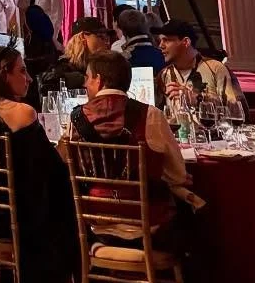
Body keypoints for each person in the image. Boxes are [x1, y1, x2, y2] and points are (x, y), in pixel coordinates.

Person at [0, 46, 78, 283]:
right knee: (67, 200)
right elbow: (49, 168)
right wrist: (67, 146)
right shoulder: (23, 112)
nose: (28, 78)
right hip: (15, 216)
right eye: (22, 71)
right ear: (5, 74)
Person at [65, 48, 191, 230]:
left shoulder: (75, 118)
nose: (85, 84)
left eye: (88, 77)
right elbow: (177, 174)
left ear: (99, 80)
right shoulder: (151, 114)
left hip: (95, 220)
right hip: (147, 221)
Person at [157, 21, 248, 114]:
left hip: (213, 128)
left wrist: (198, 98)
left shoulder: (216, 68)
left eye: (166, 40)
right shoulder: (164, 75)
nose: (160, 46)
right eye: (160, 41)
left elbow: (240, 111)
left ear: (185, 42)